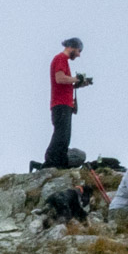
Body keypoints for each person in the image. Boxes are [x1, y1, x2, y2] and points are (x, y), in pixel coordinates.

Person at [43, 38, 89, 169]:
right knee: (61, 134)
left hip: (65, 104)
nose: (79, 54)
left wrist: (78, 84)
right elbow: (60, 78)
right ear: (71, 47)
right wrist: (76, 79)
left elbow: (64, 83)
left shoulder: (63, 60)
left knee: (64, 134)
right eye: (78, 51)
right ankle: (52, 160)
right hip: (61, 104)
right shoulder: (60, 59)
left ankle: (58, 160)